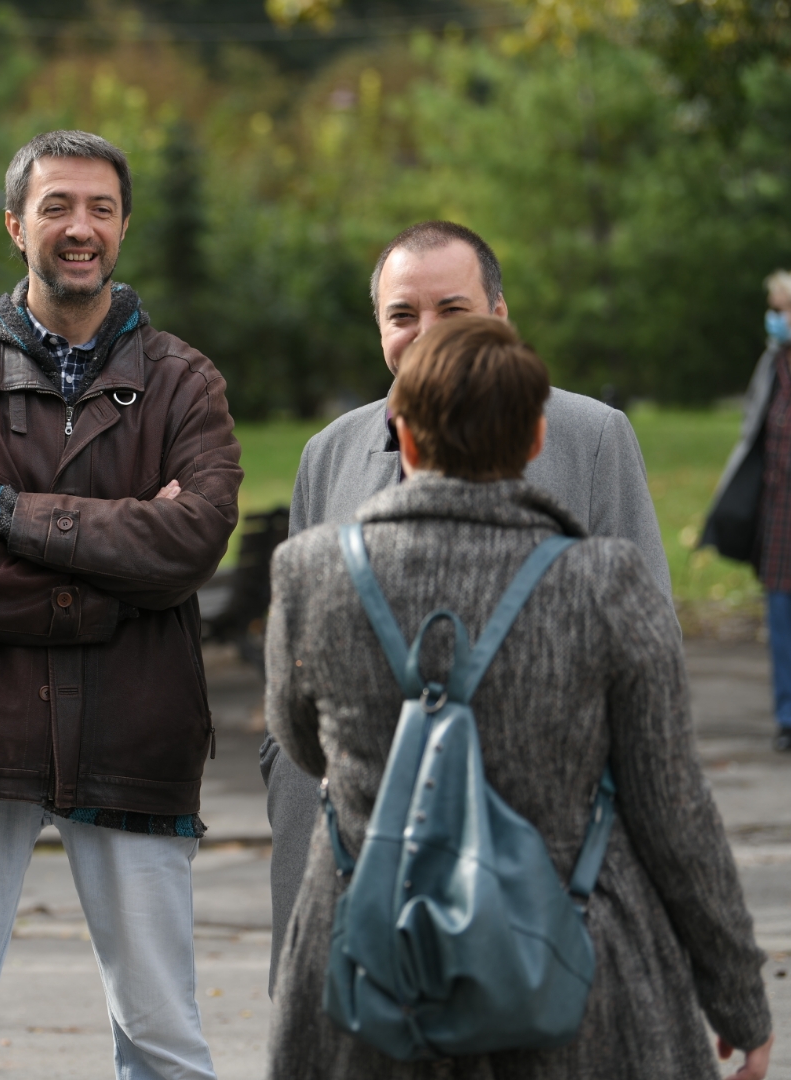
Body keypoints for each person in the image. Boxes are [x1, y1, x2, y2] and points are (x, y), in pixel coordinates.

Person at [263, 314, 773, 1080]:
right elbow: (673, 807)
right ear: (536, 440)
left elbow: (303, 746)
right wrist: (736, 994)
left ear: (404, 441)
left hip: (373, 976)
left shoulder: (311, 574)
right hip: (574, 966)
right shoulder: (606, 584)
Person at [0, 129, 242, 1080]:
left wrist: (9, 514)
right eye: (57, 207)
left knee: (165, 1038)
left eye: (101, 209)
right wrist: (109, 585)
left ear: (123, 225)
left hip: (135, 730)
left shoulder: (186, 380)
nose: (81, 228)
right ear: (15, 225)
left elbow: (194, 541)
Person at [260, 220, 670, 990]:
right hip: (355, 842)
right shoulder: (330, 454)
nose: (427, 334)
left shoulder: (590, 438)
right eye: (403, 315)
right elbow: (298, 669)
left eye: (453, 309)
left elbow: (651, 655)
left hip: (531, 839)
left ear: (500, 316)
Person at [701, 269, 791, 752]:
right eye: (774, 309)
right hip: (779, 512)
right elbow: (752, 432)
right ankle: (787, 716)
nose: (776, 318)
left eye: (783, 309)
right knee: (780, 615)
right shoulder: (772, 364)